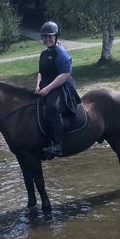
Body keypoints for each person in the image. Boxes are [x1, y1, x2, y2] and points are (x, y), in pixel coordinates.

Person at [35, 21, 79, 159]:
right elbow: (40, 73)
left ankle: (58, 145)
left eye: (50, 36)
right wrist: (37, 86)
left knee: (52, 108)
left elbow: (65, 74)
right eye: (45, 37)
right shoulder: (43, 53)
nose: (47, 39)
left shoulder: (60, 51)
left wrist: (47, 89)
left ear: (56, 37)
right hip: (47, 85)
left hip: (62, 86)